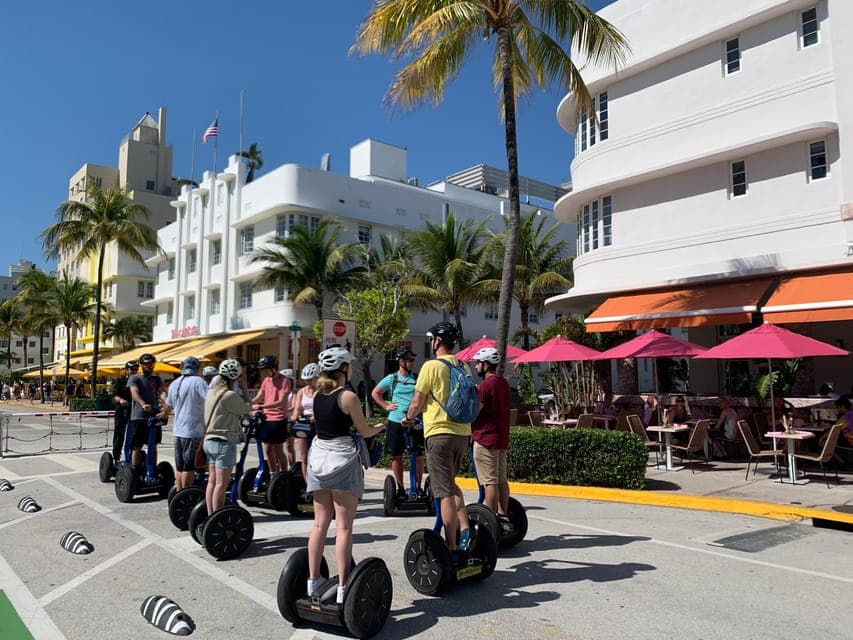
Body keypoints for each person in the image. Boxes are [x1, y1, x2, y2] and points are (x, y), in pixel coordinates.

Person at [306, 347, 384, 604]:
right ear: (343, 369)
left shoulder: (318, 395)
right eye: (349, 366)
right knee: (344, 527)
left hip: (318, 461)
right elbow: (364, 430)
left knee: (319, 525)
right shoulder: (347, 396)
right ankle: (342, 586)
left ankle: (313, 580)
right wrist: (381, 426)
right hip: (342, 463)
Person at [402, 322, 475, 554]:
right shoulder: (464, 366)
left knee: (443, 491)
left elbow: (417, 402)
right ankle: (465, 529)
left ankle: (451, 547)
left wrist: (408, 418)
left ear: (436, 342)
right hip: (462, 434)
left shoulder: (430, 366)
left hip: (439, 434)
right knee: (450, 484)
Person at [371, 348, 423, 499]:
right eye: (409, 360)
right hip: (396, 421)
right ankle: (400, 489)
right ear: (401, 361)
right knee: (396, 455)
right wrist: (386, 406)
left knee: (418, 454)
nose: (412, 363)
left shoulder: (417, 378)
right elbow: (375, 393)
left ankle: (418, 488)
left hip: (414, 421)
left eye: (413, 360)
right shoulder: (392, 378)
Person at [470, 347, 512, 532]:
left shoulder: (486, 385)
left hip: (485, 438)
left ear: (486, 365)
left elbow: (474, 411)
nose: (477, 366)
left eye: (478, 363)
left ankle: (491, 521)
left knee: (489, 481)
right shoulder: (503, 383)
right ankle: (503, 516)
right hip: (501, 438)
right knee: (501, 479)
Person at [203, 359, 252, 514]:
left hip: (209, 441)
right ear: (236, 377)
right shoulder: (229, 395)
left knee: (211, 481)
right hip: (223, 443)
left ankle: (211, 514)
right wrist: (244, 389)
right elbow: (247, 409)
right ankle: (217, 516)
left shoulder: (211, 392)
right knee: (221, 484)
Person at [163, 357, 209, 492]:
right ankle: (185, 495)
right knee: (189, 467)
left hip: (178, 431)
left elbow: (168, 405)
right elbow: (210, 399)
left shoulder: (175, 383)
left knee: (180, 466)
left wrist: (163, 415)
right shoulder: (198, 381)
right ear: (197, 368)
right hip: (193, 431)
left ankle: (179, 494)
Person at [251, 355, 292, 475]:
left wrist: (262, 406)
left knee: (278, 449)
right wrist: (246, 404)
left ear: (274, 368)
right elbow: (259, 397)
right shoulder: (266, 380)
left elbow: (281, 402)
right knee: (268, 449)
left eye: (266, 369)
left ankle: (284, 474)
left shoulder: (285, 381)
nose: (264, 372)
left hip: (278, 419)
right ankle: (273, 473)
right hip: (266, 419)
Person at [127, 353, 167, 467]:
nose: (149, 366)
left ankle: (152, 469)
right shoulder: (135, 378)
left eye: (151, 364)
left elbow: (161, 392)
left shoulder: (156, 379)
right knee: (137, 445)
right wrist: (143, 403)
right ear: (141, 365)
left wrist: (166, 402)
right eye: (147, 364)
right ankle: (135, 470)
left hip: (154, 415)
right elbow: (134, 392)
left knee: (153, 444)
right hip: (139, 416)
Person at [291, 362, 319, 481]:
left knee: (317, 456)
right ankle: (307, 483)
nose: (308, 382)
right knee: (304, 456)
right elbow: (297, 408)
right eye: (306, 380)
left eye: (310, 379)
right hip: (304, 423)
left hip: (317, 423)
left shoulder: (322, 391)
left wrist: (316, 416)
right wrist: (295, 417)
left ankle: (318, 481)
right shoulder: (302, 391)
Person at [111, 361, 138, 461]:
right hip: (122, 410)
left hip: (134, 410)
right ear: (127, 370)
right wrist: (121, 400)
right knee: (119, 432)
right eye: (132, 369)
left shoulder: (137, 382)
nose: (134, 371)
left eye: (135, 369)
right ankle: (116, 456)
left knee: (134, 433)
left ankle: (132, 456)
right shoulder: (120, 381)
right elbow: (115, 396)